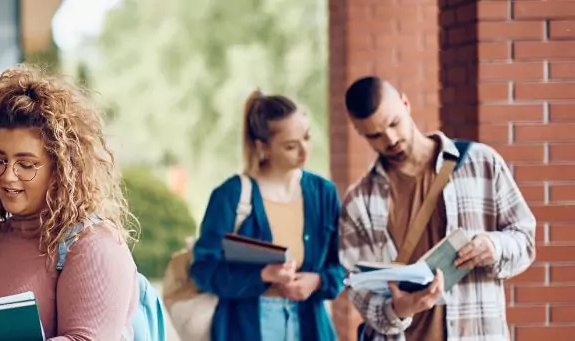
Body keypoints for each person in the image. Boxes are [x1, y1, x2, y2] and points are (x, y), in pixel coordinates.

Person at [0, 65, 139, 340]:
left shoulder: (93, 246)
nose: (7, 176)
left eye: (26, 165)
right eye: (0, 160)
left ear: (61, 168)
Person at [338, 76, 536, 340]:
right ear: (359, 131)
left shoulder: (481, 163)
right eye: (375, 135)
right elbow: (357, 289)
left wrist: (494, 246)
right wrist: (397, 310)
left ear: (405, 104)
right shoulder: (359, 201)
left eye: (394, 123)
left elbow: (525, 240)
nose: (391, 139)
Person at [189, 90, 345, 341]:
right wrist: (263, 275)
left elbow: (342, 266)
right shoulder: (231, 195)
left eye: (307, 138)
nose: (304, 151)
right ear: (263, 147)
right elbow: (203, 269)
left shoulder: (324, 193)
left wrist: (317, 281)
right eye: (291, 146)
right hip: (245, 327)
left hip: (310, 326)